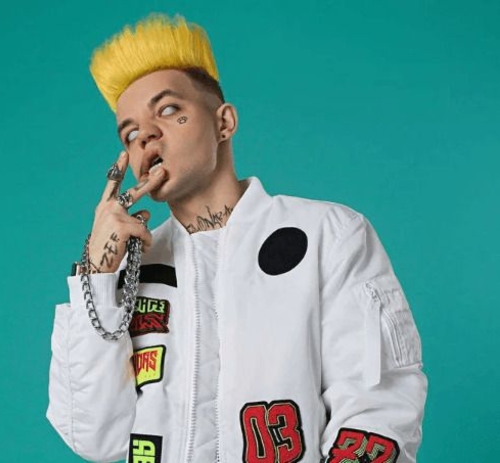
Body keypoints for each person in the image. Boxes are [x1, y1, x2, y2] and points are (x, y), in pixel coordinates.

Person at [46, 13, 427, 463]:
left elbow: (378, 407)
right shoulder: (130, 273)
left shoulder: (328, 234)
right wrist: (96, 275)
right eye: (130, 134)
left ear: (223, 123)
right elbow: (95, 438)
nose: (145, 135)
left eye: (167, 110)